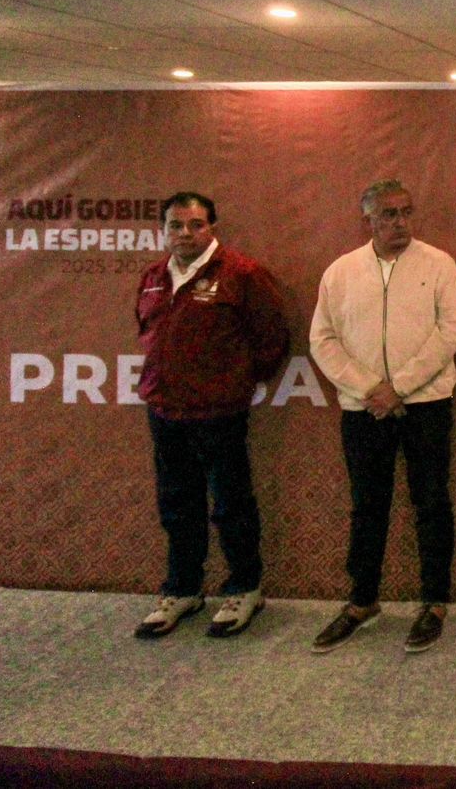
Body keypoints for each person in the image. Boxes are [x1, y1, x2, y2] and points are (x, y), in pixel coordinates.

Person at [309, 180, 456, 655]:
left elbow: (451, 331)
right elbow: (323, 339)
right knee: (367, 506)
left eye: (406, 212)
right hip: (365, 409)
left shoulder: (439, 264)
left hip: (426, 405)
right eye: (389, 214)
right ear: (369, 221)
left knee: (431, 502)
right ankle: (362, 602)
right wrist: (369, 389)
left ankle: (434, 602)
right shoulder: (340, 272)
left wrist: (398, 386)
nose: (400, 222)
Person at [132, 192, 289, 640]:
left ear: (212, 228)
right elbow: (147, 333)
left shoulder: (242, 274)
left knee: (231, 503)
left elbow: (273, 337)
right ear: (163, 230)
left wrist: (235, 382)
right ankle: (183, 589)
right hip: (164, 409)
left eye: (195, 225)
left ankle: (244, 588)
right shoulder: (152, 277)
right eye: (175, 225)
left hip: (219, 412)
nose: (185, 233)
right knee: (177, 505)